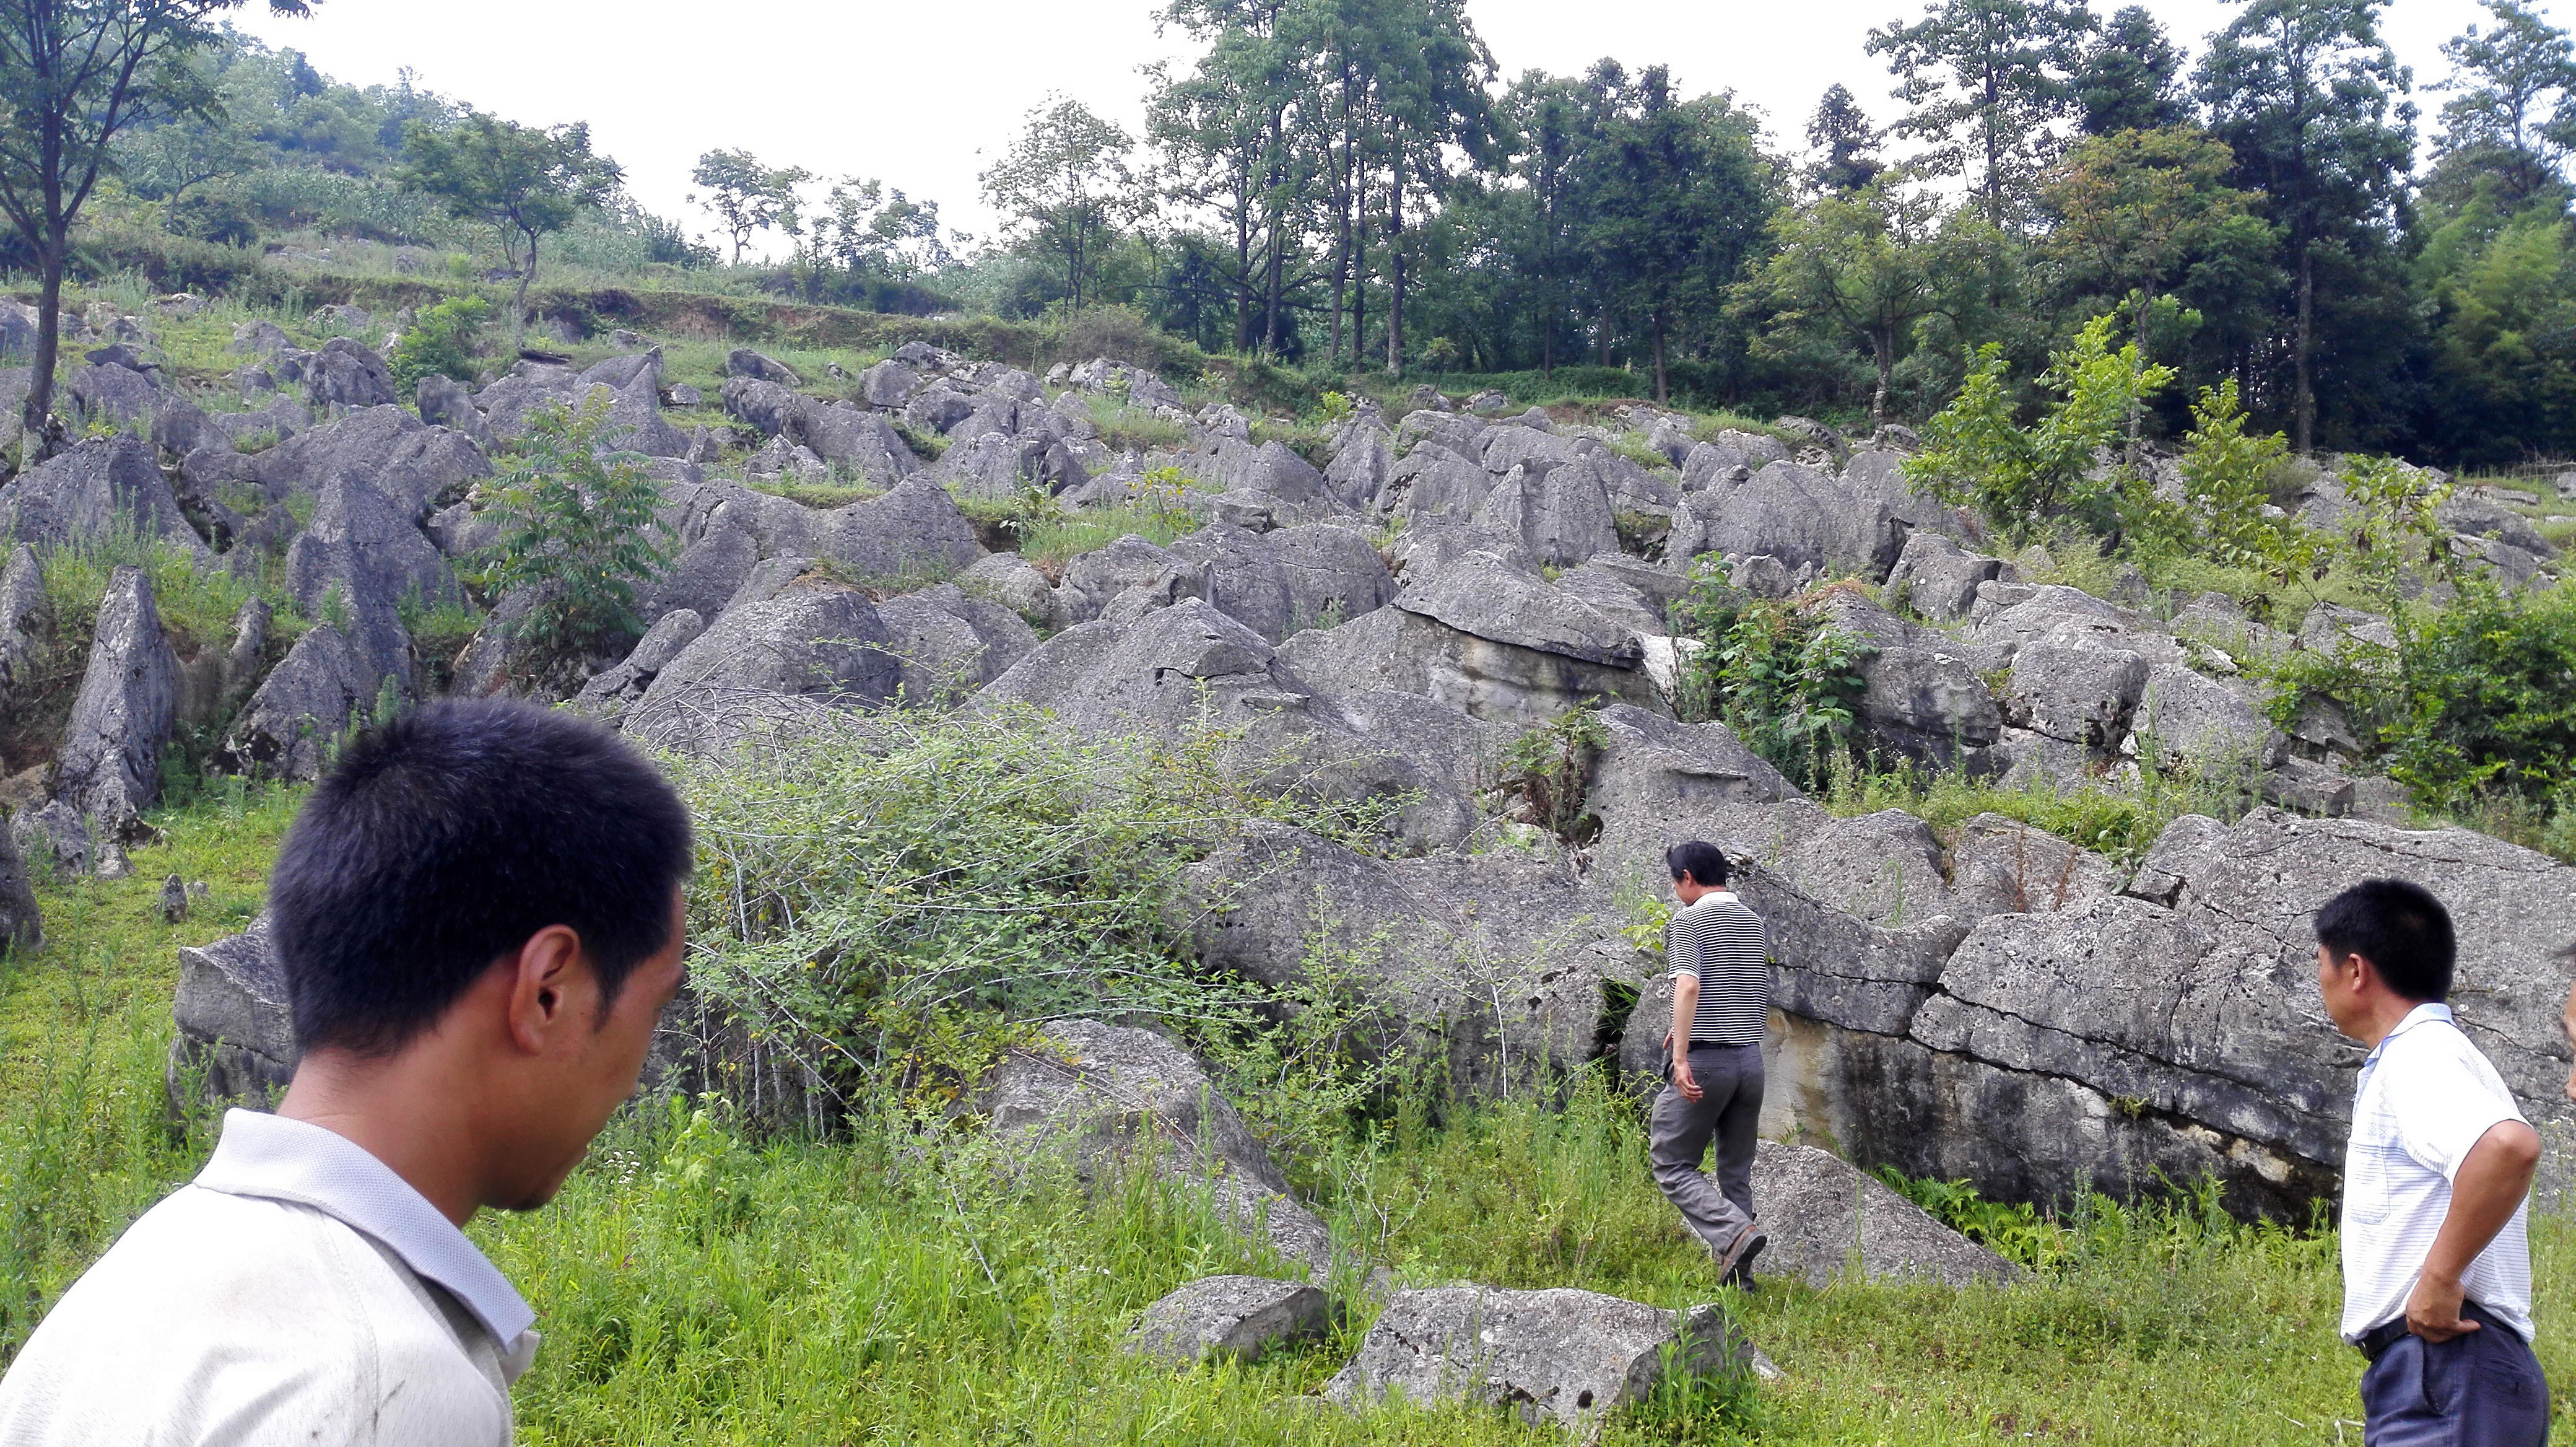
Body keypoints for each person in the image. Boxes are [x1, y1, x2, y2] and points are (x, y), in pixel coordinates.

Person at [0, 699, 694, 1446]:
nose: (635, 1079)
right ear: (546, 992)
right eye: (653, 1008)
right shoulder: (388, 1388)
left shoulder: (135, 1277)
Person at [2317, 878, 2548, 1447]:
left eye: (2319, 964)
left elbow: (2507, 1147)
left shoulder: (2419, 1055)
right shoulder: (2439, 1054)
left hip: (2446, 1368)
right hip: (2452, 1376)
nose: (2319, 981)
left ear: (2355, 970)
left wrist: (2440, 1278)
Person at [1648, 839, 1771, 1286]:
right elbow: (1741, 985)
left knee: (1671, 1163)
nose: (1675, 890)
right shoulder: (1753, 921)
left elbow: (1689, 986)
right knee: (1735, 1172)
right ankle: (1741, 1281)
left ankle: (1735, 1233)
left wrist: (1681, 1056)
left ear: (1688, 878)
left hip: (1707, 1063)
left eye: (1674, 881)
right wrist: (1682, 1028)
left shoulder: (1689, 920)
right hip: (1750, 1062)